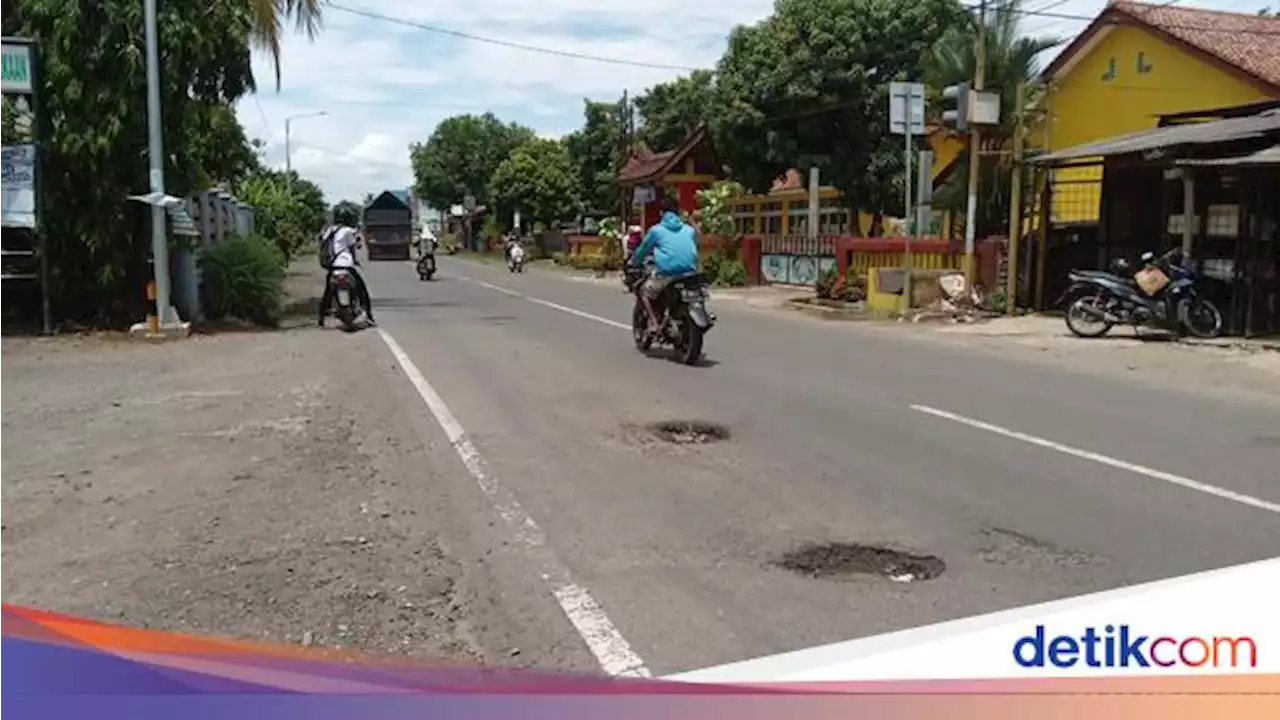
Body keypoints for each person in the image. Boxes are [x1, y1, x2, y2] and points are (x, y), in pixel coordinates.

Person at [628, 196, 699, 336]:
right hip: (691, 273)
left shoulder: (656, 231)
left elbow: (642, 250)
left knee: (645, 292)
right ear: (678, 212)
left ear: (661, 213)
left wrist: (634, 261)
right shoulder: (689, 230)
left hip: (667, 274)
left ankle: (654, 322)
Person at [318, 208, 376, 327]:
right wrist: (355, 260)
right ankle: (369, 316)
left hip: (333, 266)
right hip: (346, 265)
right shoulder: (348, 231)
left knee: (327, 293)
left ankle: (321, 318)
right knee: (362, 291)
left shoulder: (329, 230)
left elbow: (322, 242)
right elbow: (353, 247)